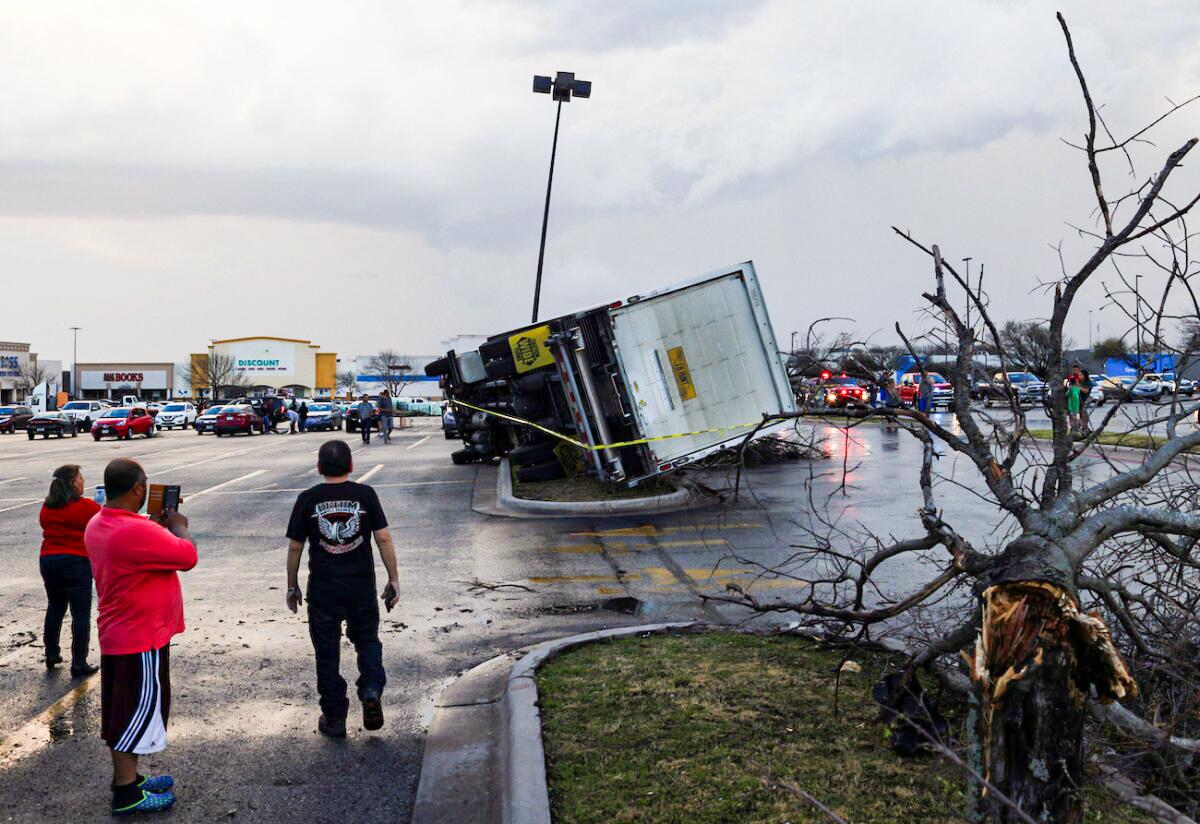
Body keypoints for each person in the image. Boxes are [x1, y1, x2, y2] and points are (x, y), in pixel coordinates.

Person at [85, 458, 197, 816]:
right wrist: (179, 526)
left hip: (124, 633)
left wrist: (155, 526)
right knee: (133, 715)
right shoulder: (135, 531)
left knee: (125, 708)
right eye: (145, 483)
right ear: (137, 488)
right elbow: (188, 556)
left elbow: (139, 543)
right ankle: (126, 794)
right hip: (140, 638)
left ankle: (130, 779)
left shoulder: (101, 522)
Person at [285, 440, 399, 738]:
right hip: (361, 587)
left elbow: (296, 546)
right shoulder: (365, 494)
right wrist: (393, 579)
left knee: (326, 652)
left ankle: (335, 718)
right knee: (368, 641)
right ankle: (371, 689)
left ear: (319, 467)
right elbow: (383, 538)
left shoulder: (308, 498)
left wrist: (292, 585)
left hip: (323, 589)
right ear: (351, 465)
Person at [39, 464, 101, 677]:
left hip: (48, 559)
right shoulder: (85, 506)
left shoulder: (48, 506)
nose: (83, 482)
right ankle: (79, 661)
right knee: (80, 613)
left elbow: (44, 525)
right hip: (76, 560)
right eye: (80, 478)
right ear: (72, 483)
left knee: (55, 606)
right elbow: (102, 522)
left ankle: (51, 653)